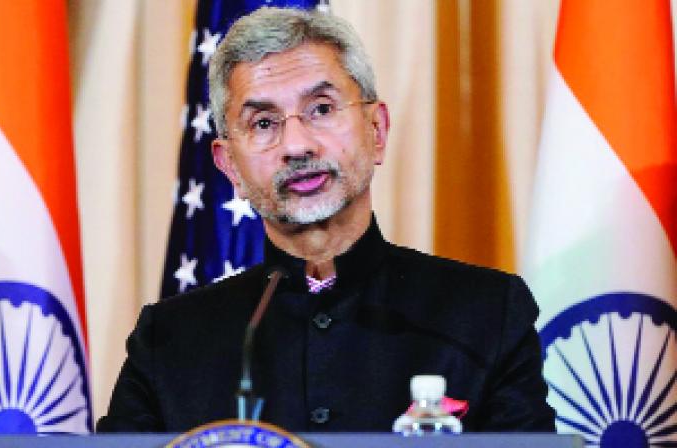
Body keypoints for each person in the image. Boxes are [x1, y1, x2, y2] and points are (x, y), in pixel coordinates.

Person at [97, 6, 555, 433]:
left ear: (377, 131)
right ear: (230, 166)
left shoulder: (486, 316)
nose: (297, 145)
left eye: (321, 109)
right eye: (263, 123)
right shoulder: (168, 342)